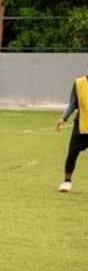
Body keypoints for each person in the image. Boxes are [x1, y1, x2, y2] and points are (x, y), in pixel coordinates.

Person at [55, 64, 88, 192]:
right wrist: (63, 118)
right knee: (72, 154)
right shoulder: (79, 83)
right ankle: (67, 181)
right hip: (81, 125)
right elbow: (73, 104)